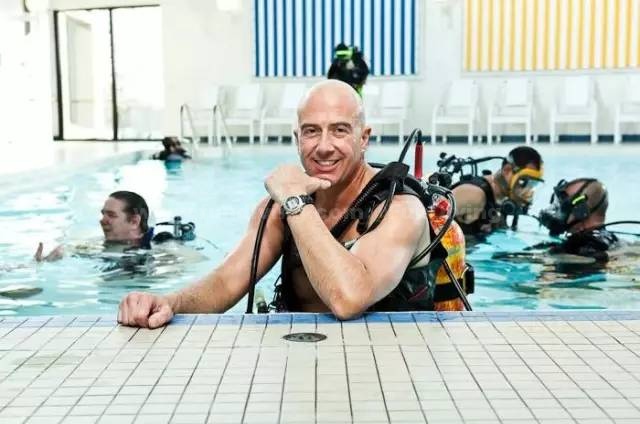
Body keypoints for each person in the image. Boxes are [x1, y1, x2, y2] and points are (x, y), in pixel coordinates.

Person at [118, 80, 445, 328]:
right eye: (312, 131)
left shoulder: (400, 209)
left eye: (340, 131)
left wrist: (295, 201)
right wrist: (170, 302)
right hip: (301, 356)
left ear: (364, 138)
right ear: (297, 139)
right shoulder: (277, 211)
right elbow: (227, 281)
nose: (324, 146)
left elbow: (349, 299)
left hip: (388, 362)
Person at [35, 191, 153, 262]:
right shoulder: (95, 245)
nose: (102, 220)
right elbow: (68, 251)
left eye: (111, 215)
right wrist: (46, 261)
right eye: (103, 214)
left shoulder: (156, 246)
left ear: (134, 222)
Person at [451, 146, 543, 236]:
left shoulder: (501, 202)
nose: (528, 190)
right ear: (507, 170)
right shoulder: (473, 194)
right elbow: (441, 215)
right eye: (524, 182)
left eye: (533, 184)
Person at [536, 178, 617, 262]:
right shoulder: (611, 239)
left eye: (561, 207)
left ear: (580, 210)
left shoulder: (577, 248)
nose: (556, 213)